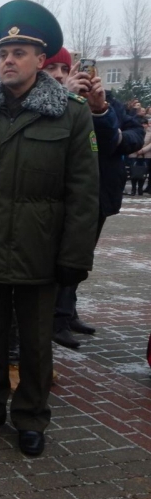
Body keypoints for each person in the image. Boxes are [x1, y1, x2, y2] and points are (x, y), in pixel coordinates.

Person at [0, 0, 99, 457]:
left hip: (40, 247)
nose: (8, 60)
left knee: (34, 341)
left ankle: (30, 416)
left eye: (19, 51)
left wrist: (74, 256)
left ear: (41, 59)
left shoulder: (70, 114)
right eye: (3, 52)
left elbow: (82, 194)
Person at [48, 48, 145, 346]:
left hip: (100, 194)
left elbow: (134, 133)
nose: (61, 75)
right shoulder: (51, 102)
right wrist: (70, 99)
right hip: (68, 196)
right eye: (54, 69)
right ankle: (55, 319)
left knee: (81, 257)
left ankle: (68, 311)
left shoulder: (105, 100)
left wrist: (109, 126)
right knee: (62, 258)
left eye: (66, 69)